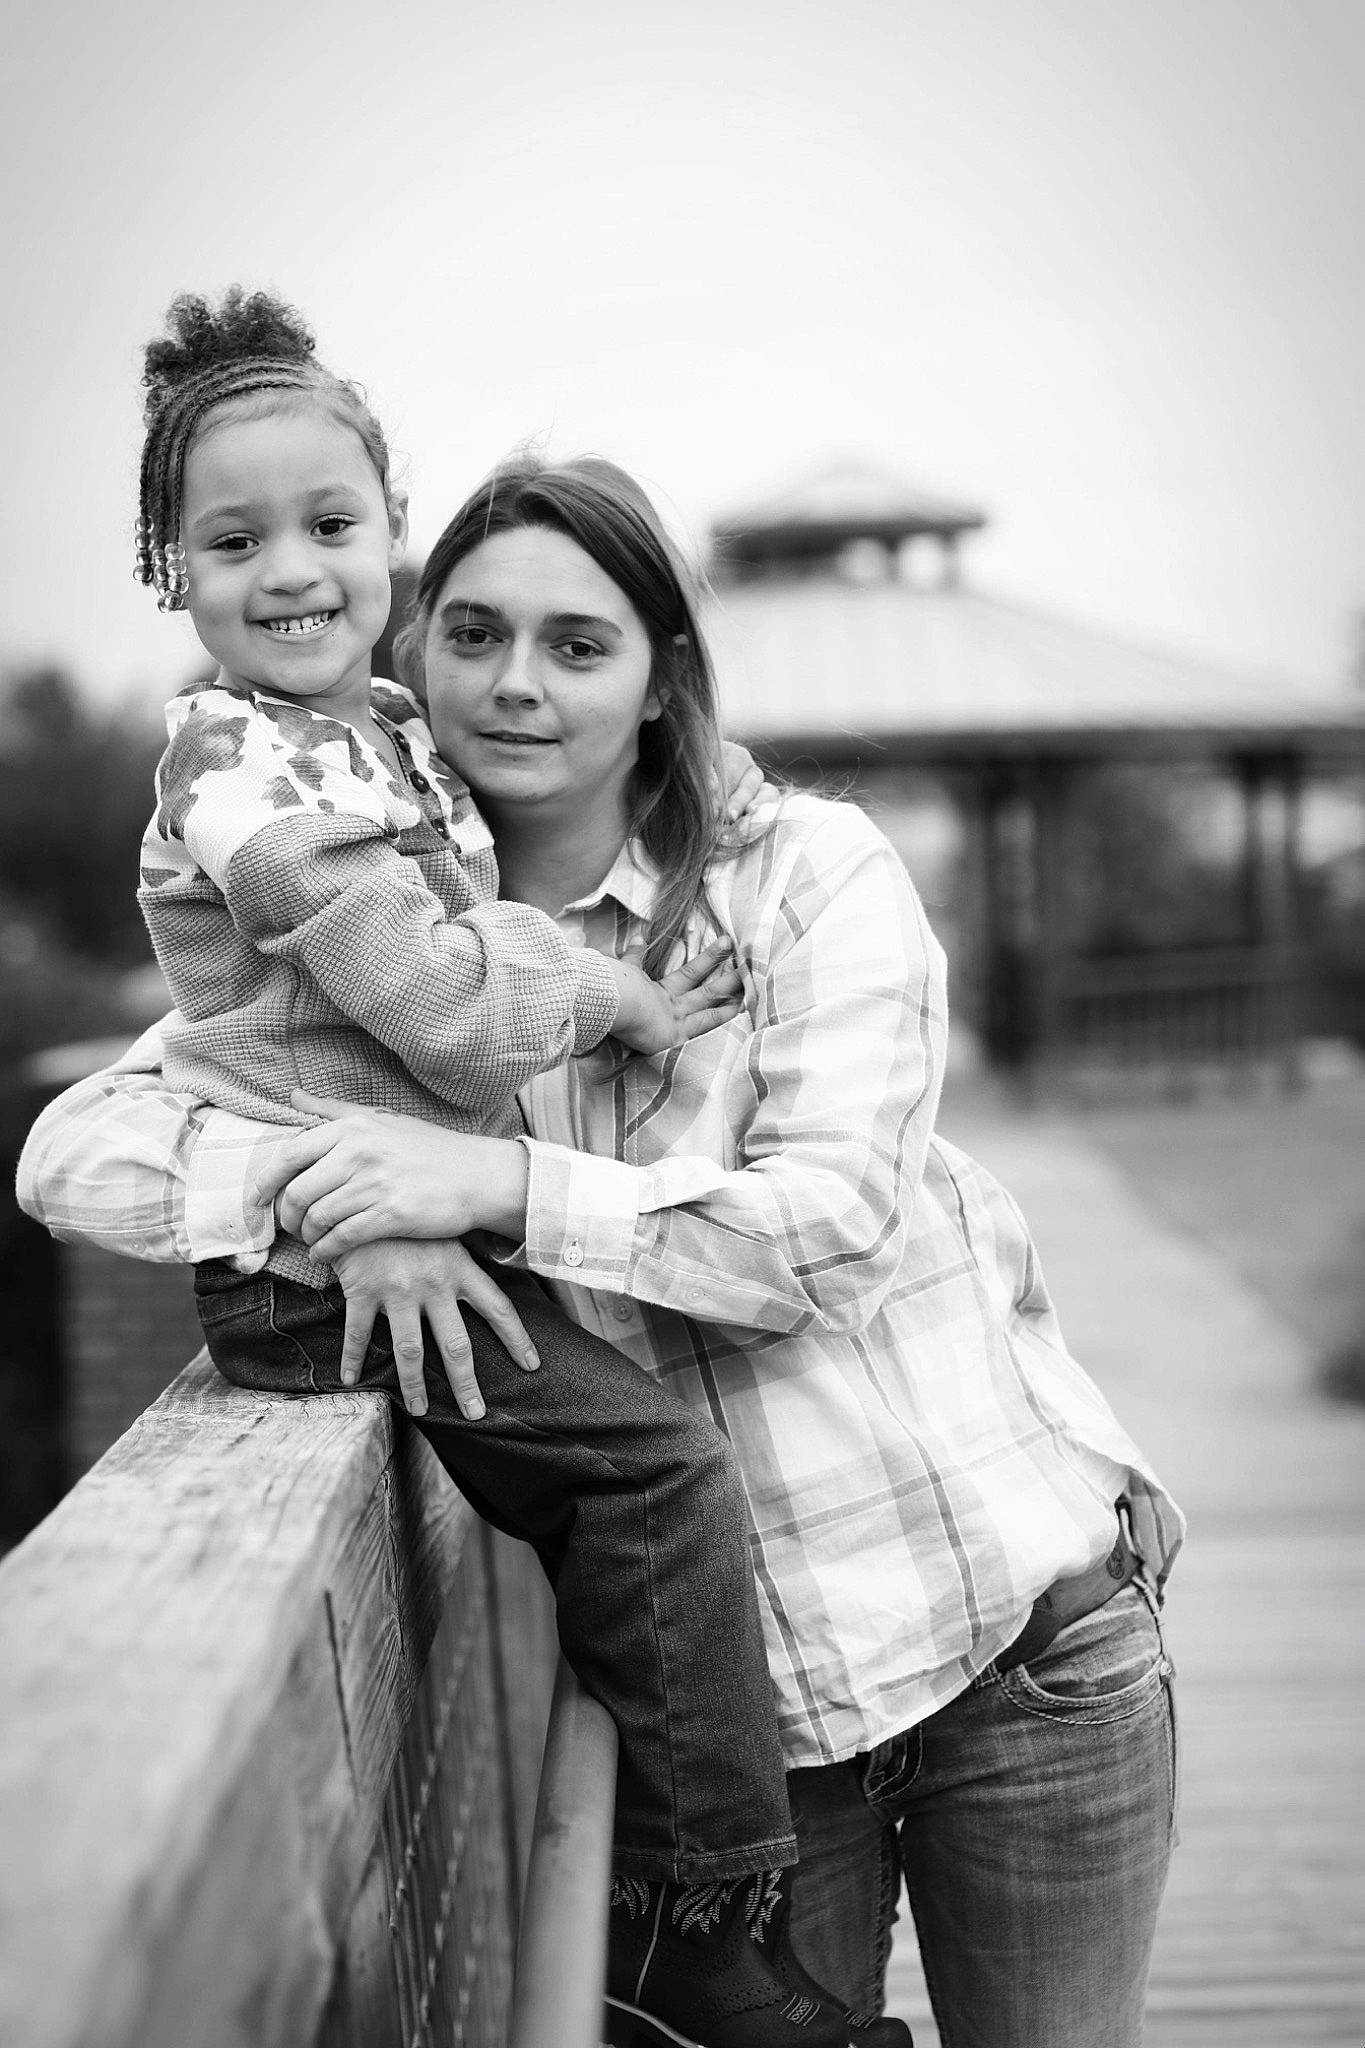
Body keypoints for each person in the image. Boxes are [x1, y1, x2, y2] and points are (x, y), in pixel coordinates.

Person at [20, 448, 1184, 2048]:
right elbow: (74, 1149)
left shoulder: (803, 876)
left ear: (658, 681)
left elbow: (822, 1237)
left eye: (579, 645)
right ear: (411, 656)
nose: (517, 684)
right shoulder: (374, 939)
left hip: (1013, 1650)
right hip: (751, 1734)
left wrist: (482, 1192)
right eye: (475, 634)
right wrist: (346, 1201)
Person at [74, 287, 910, 2048]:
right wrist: (594, 997)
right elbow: (441, 1014)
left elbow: (439, 999)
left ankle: (683, 1919)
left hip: (430, 1256)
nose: (288, 567)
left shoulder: (372, 738)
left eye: (329, 522)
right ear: (173, 571)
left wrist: (502, 1080)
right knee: (653, 1477)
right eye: (232, 540)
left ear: (385, 526)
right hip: (318, 1295)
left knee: (632, 1484)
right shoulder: (244, 779)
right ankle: (697, 1933)